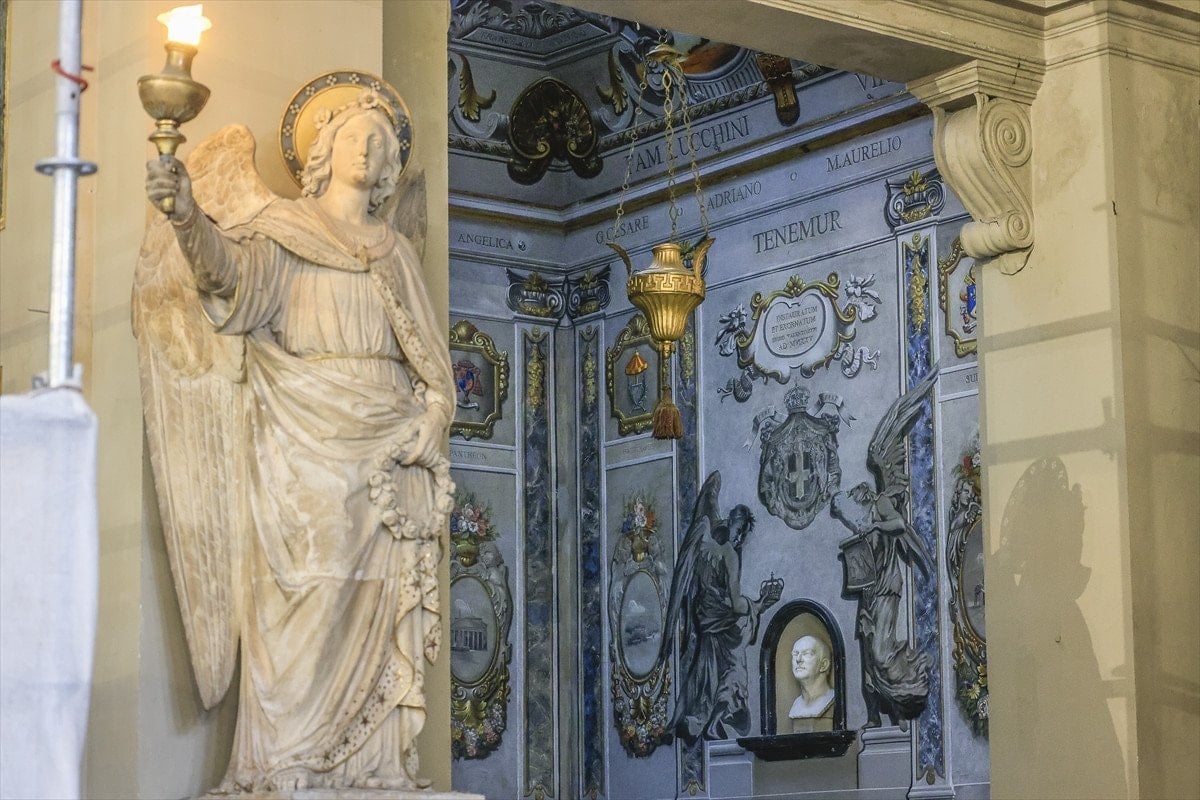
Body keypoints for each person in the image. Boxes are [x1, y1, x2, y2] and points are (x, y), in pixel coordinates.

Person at [138, 91, 454, 793]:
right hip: (302, 436)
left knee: (377, 602)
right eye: (352, 137)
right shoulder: (285, 230)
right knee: (309, 591)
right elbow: (227, 279)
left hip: (388, 446)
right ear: (325, 152)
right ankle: (286, 758)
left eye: (379, 142)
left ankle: (372, 765)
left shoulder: (397, 253)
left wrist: (433, 418)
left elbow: (432, 366)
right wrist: (186, 213)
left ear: (389, 166)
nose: (366, 149)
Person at [662, 471, 782, 745]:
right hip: (724, 625)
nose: (740, 541)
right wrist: (759, 604)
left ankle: (685, 721)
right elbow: (737, 605)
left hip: (705, 619)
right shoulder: (729, 555)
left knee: (701, 676)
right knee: (734, 670)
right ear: (742, 531)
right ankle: (716, 721)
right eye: (743, 535)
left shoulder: (704, 539)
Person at [787, 635, 835, 733]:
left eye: (807, 654)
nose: (798, 659)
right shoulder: (796, 705)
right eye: (795, 654)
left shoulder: (833, 699)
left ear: (824, 665)